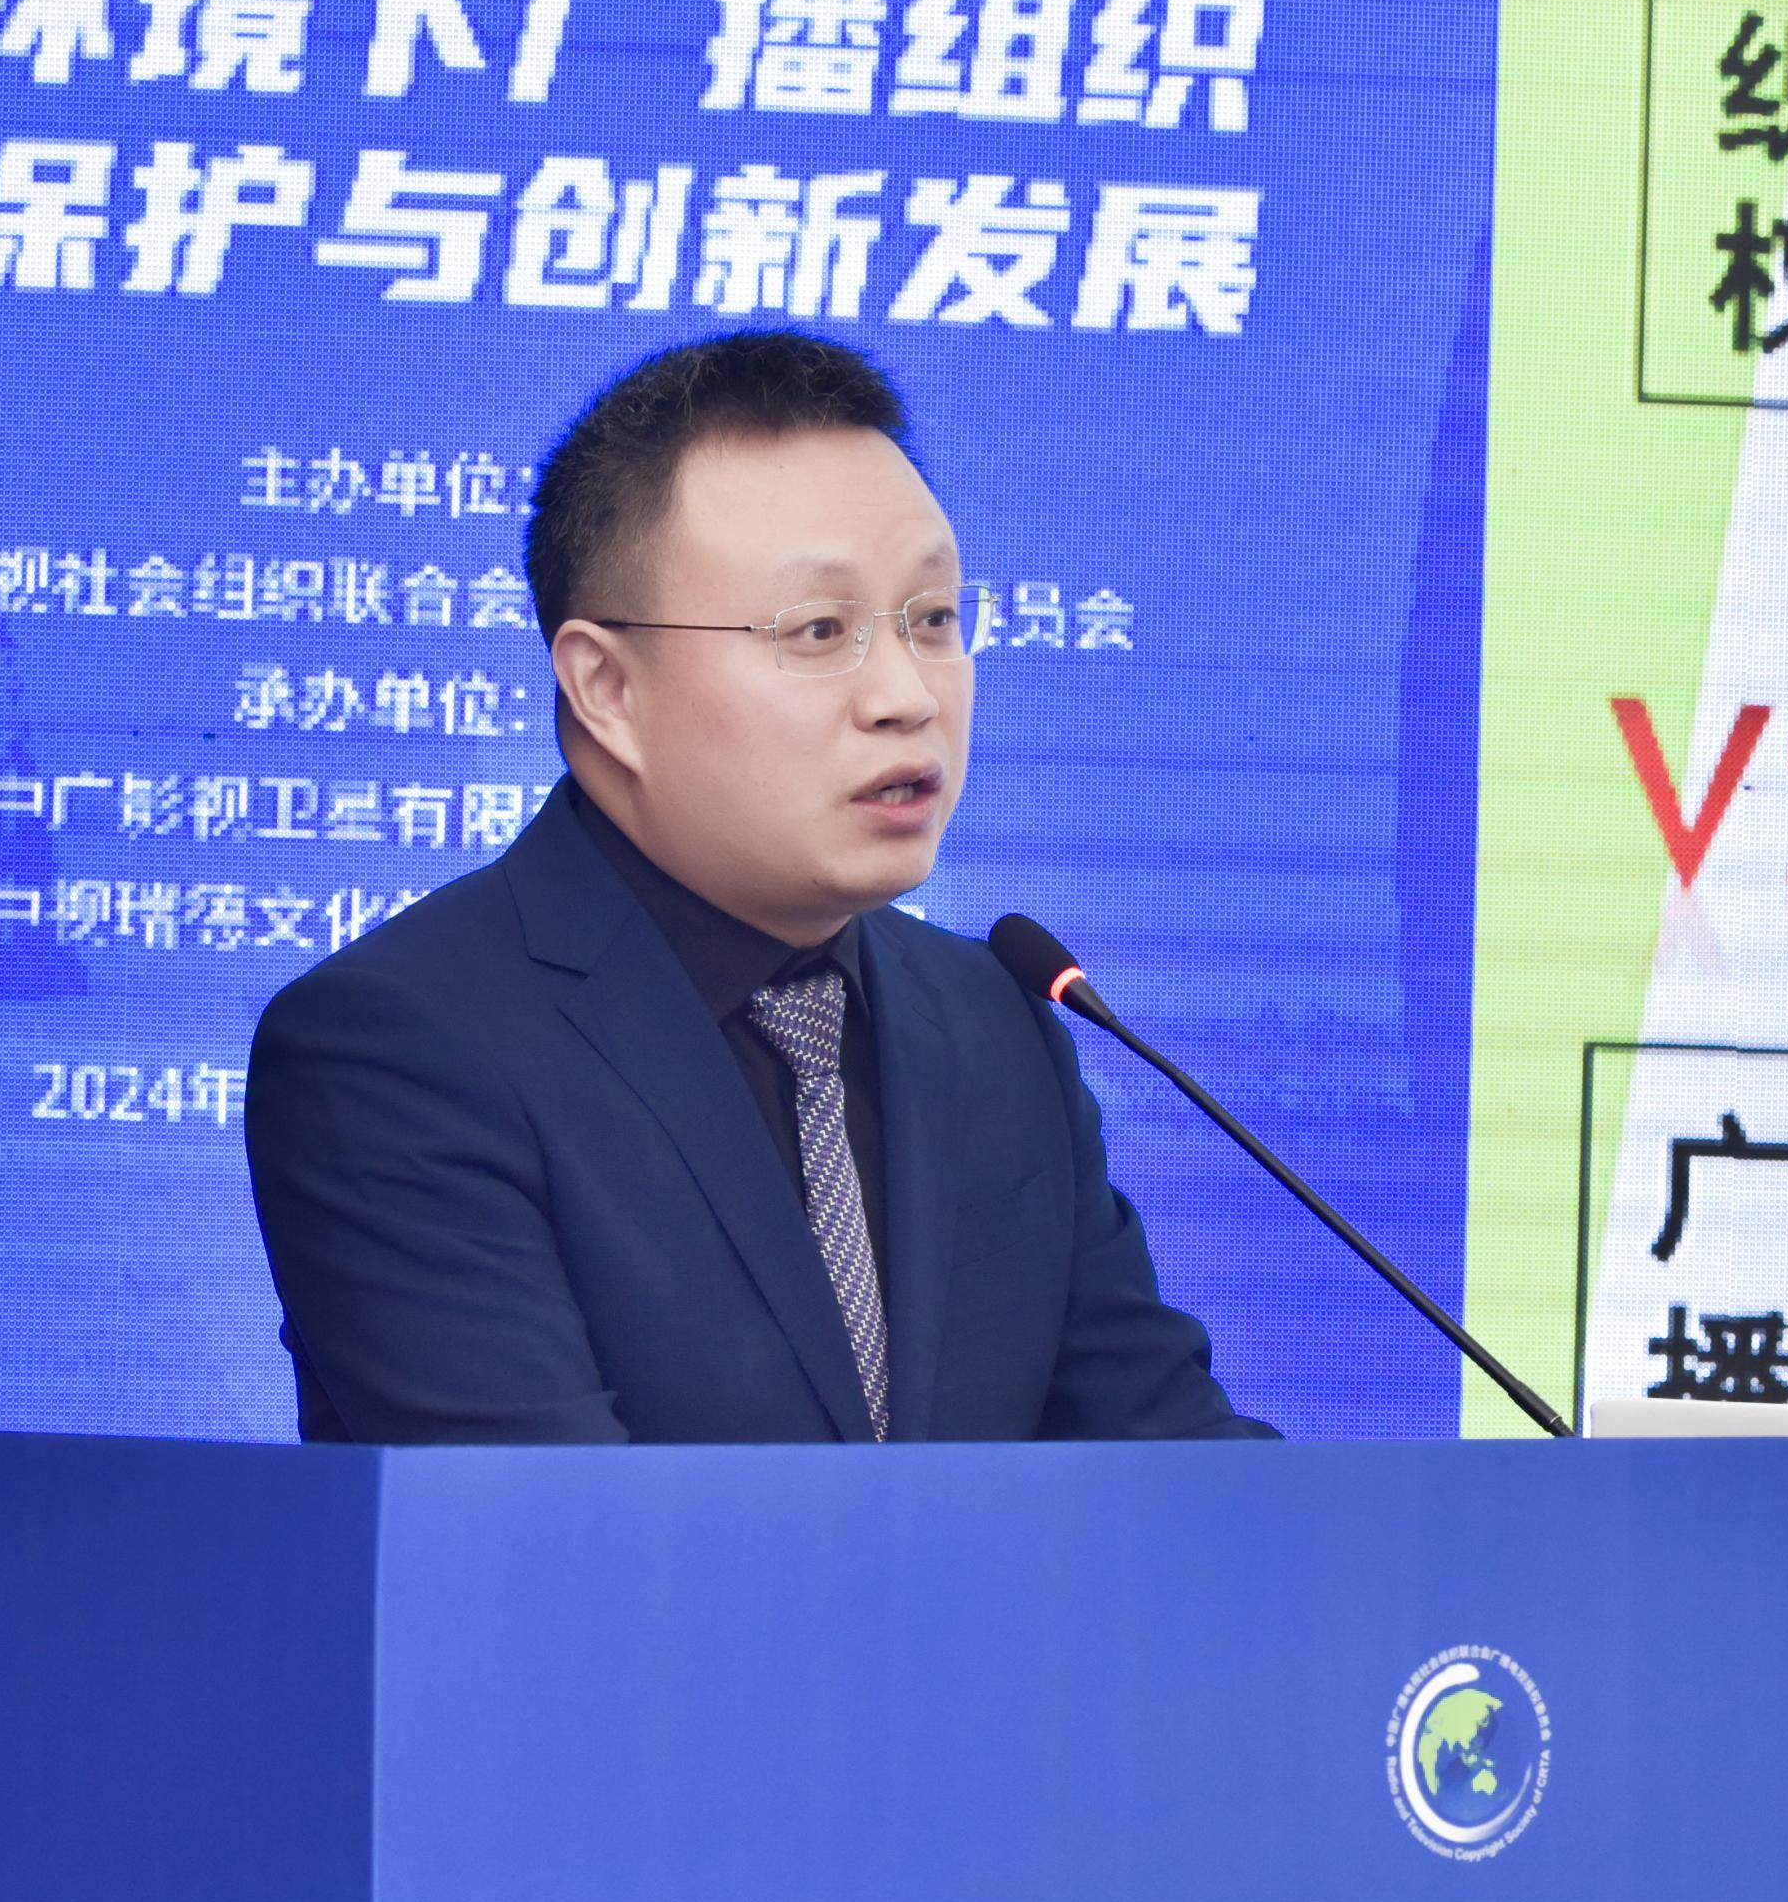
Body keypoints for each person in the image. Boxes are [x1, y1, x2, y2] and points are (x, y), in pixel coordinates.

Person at [244, 331, 1273, 1445]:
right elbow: (540, 1526)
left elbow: (1171, 1471)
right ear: (607, 687)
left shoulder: (995, 1021)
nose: (908, 696)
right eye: (819, 631)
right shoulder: (402, 1049)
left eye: (933, 619)